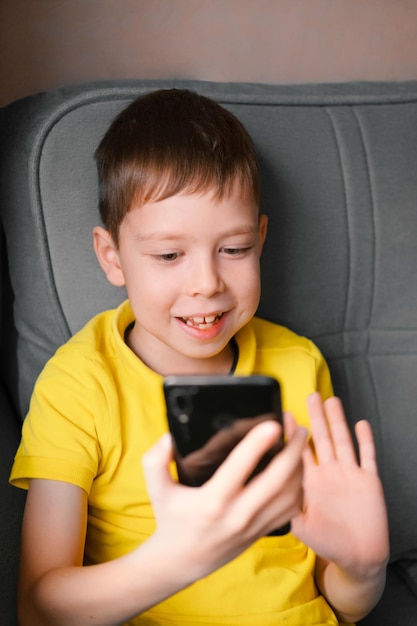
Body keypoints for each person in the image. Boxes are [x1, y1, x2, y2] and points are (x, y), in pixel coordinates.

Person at [10, 89, 389, 626]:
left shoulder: (299, 363)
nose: (207, 284)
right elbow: (38, 609)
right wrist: (182, 558)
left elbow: (339, 600)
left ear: (259, 239)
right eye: (169, 255)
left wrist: (364, 569)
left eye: (233, 250)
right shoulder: (81, 380)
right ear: (111, 257)